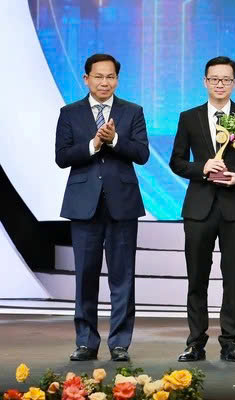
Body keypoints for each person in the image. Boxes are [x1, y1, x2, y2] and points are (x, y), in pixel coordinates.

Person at [169, 56, 235, 363]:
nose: (220, 84)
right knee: (197, 277)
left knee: (233, 277)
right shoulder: (189, 117)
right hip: (199, 207)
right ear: (205, 82)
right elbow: (177, 161)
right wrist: (202, 167)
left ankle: (230, 342)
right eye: (214, 79)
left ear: (234, 83)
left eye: (226, 79)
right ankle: (195, 342)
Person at [55, 53, 149, 362]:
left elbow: (142, 154)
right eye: (98, 76)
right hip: (84, 205)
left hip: (122, 204)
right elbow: (62, 157)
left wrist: (115, 139)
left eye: (110, 77)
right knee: (85, 275)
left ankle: (120, 343)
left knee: (123, 277)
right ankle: (86, 341)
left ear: (117, 80)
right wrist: (94, 144)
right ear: (86, 79)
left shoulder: (132, 111)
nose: (104, 82)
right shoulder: (70, 113)